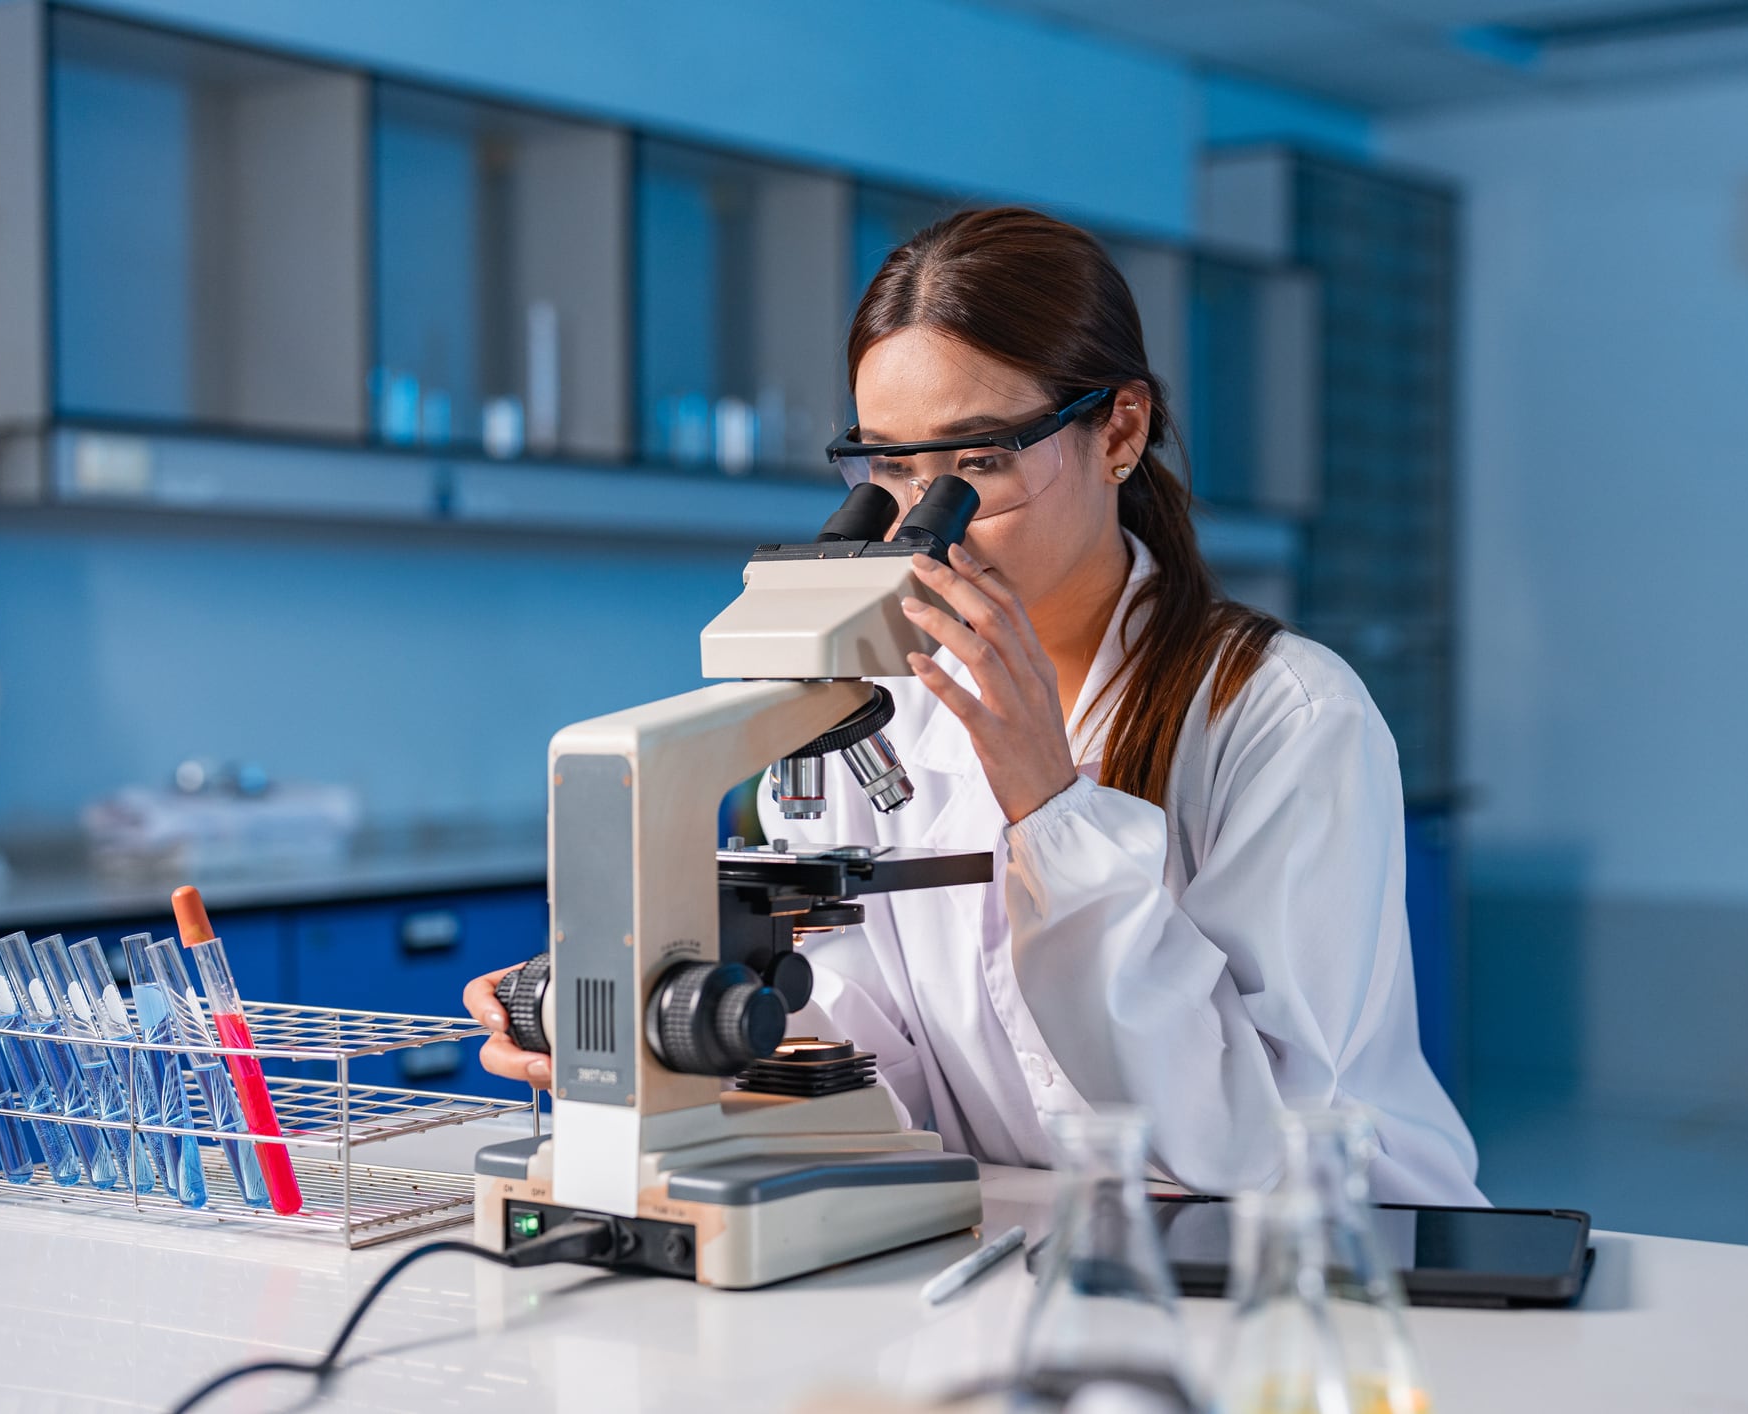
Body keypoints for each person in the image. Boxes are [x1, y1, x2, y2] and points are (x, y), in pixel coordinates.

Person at [465, 206, 1481, 1204]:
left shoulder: (1284, 716)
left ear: (1119, 429)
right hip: (1015, 1246)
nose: (925, 526)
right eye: (892, 468)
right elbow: (877, 1051)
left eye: (978, 464)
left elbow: (1259, 1137)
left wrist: (1051, 802)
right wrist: (671, 1038)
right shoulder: (879, 711)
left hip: (1316, 1271)